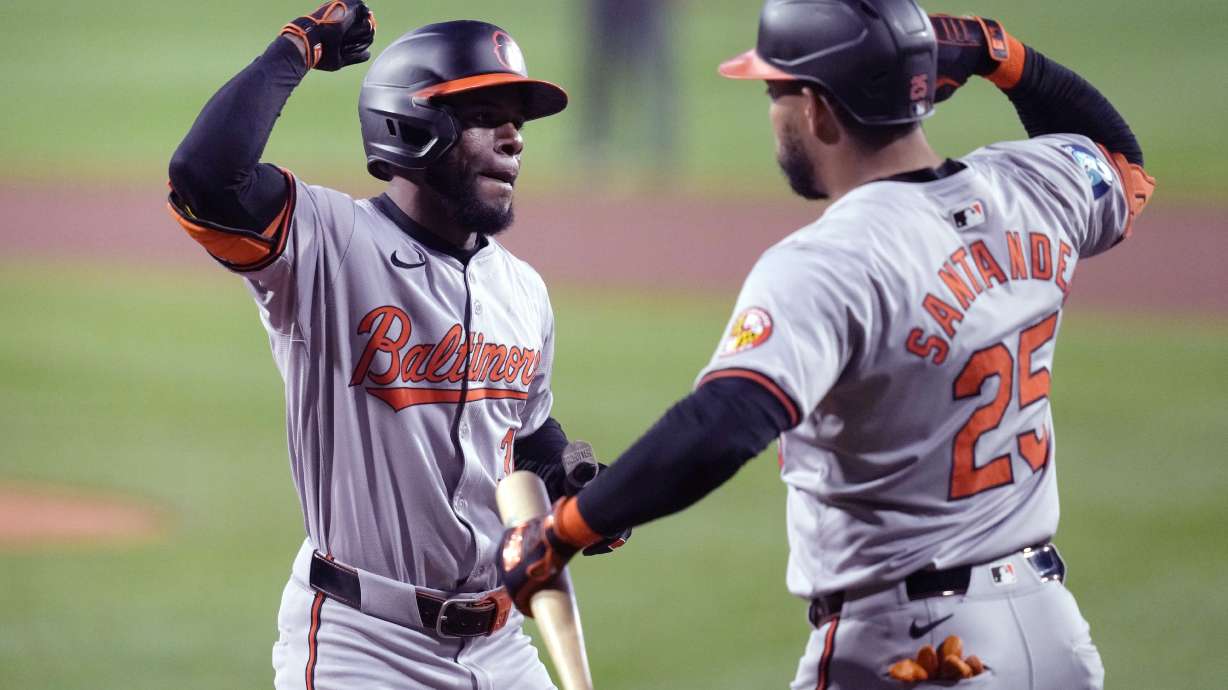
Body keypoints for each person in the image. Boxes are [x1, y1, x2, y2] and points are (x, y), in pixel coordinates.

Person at [497, 1, 1155, 688]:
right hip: (1052, 633)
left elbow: (725, 422)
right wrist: (1003, 55)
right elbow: (1120, 164)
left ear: (815, 109)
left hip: (915, 651)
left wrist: (564, 530)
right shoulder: (1033, 189)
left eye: (772, 92)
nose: (771, 113)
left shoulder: (829, 260)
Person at [166, 2, 624, 688]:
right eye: (485, 115)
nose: (513, 138)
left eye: (517, 122)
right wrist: (300, 45)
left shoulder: (523, 290)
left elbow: (521, 437)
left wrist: (572, 479)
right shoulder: (328, 245)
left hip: (500, 646)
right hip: (364, 646)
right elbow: (206, 177)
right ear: (413, 124)